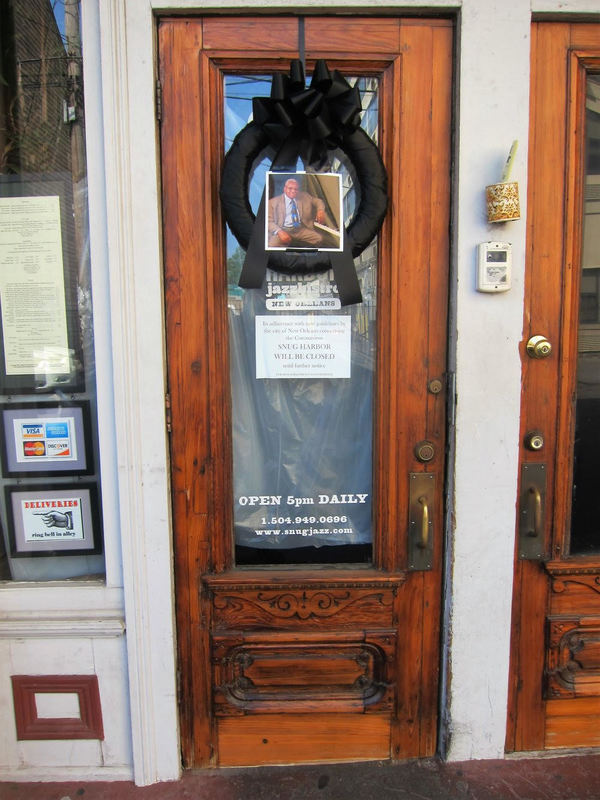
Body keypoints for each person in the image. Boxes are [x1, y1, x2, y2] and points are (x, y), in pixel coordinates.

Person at [267, 177, 326, 249]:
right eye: (290, 188)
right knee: (272, 246)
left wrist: (320, 210)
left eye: (296, 189)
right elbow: (268, 222)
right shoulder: (272, 202)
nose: (293, 191)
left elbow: (318, 201)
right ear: (284, 189)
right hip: (283, 229)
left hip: (300, 229)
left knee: (319, 239)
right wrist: (279, 231)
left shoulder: (304, 196)